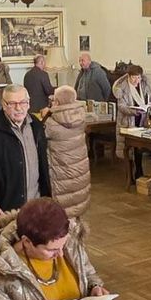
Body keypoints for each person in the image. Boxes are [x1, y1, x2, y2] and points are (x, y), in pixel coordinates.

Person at [0, 84, 52, 218]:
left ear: (29, 103)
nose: (18, 108)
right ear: (3, 104)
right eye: (12, 103)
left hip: (37, 207)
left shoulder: (36, 125)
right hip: (5, 210)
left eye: (23, 102)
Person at [43, 85, 92, 218]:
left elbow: (40, 137)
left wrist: (45, 116)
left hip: (61, 174)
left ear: (57, 102)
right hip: (79, 170)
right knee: (76, 204)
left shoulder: (51, 124)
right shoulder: (81, 118)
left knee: (63, 212)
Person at [112, 64, 151, 158]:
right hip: (127, 121)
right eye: (133, 77)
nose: (136, 80)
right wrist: (134, 111)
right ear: (129, 76)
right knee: (128, 149)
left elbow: (150, 98)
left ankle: (139, 170)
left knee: (139, 148)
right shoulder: (122, 87)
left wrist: (149, 105)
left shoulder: (143, 85)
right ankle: (129, 170)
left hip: (141, 120)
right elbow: (121, 106)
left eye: (138, 77)